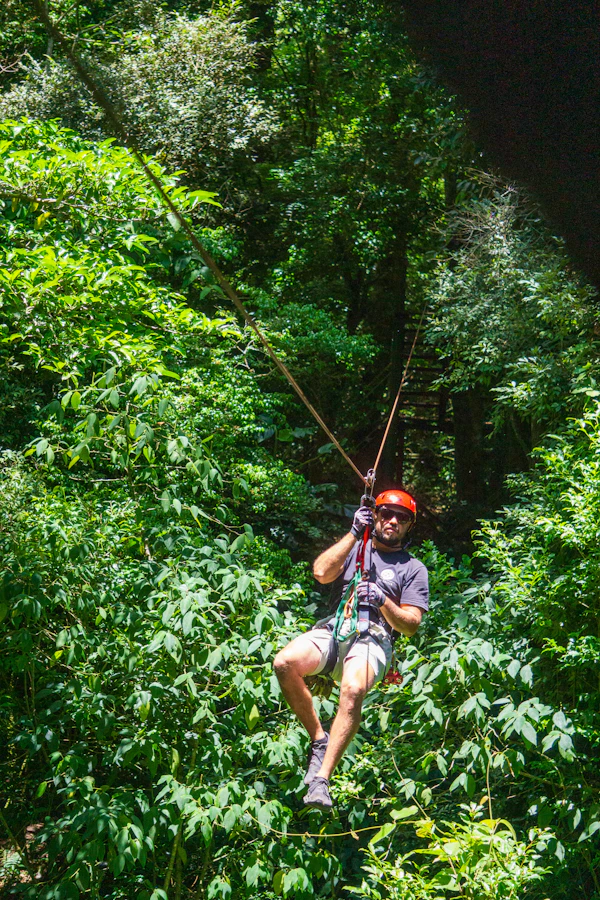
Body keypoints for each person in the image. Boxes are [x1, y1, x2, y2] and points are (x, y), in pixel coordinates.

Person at [273, 489, 429, 810]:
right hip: (338, 627)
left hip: (375, 637)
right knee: (285, 662)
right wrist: (355, 532)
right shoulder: (357, 548)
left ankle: (321, 780)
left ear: (409, 526)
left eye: (402, 518)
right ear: (377, 516)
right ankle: (319, 739)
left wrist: (383, 600)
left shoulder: (413, 569)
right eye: (386, 514)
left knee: (354, 688)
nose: (393, 521)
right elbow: (320, 572)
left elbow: (411, 624)